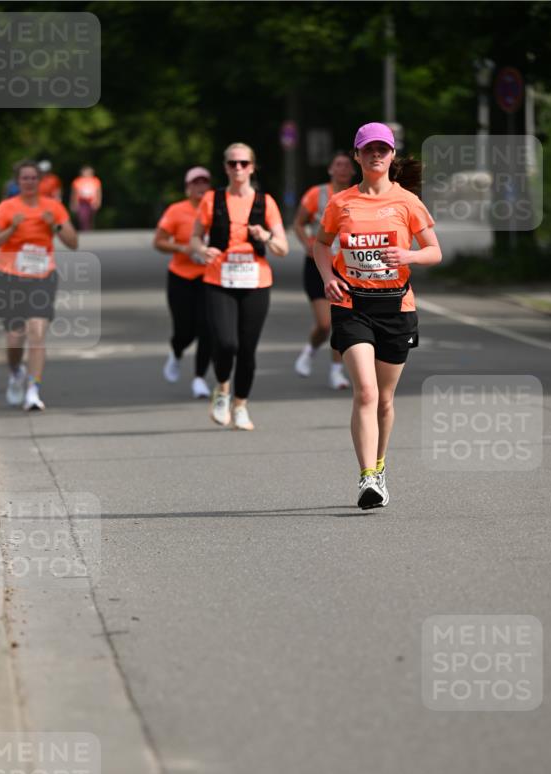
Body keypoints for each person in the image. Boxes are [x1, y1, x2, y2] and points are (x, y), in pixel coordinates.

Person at [313, 123, 442, 509]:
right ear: (356, 156)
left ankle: (380, 465)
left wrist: (410, 256)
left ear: (391, 156)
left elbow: (434, 250)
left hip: (396, 307)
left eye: (383, 150)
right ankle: (367, 477)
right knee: (365, 391)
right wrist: (327, 279)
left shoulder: (407, 202)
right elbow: (320, 245)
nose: (376, 155)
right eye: (368, 149)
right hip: (352, 305)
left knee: (385, 398)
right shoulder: (341, 202)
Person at [189, 142, 288, 430]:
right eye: (232, 163)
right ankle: (222, 389)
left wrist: (266, 235)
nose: (238, 168)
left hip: (256, 282)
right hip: (219, 279)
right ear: (225, 167)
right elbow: (195, 238)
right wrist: (201, 250)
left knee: (246, 349)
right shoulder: (212, 199)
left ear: (252, 167)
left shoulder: (265, 202)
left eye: (244, 163)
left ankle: (241, 405)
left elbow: (282, 247)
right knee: (225, 342)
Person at [0, 159, 78, 411]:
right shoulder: (6, 208)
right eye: (24, 178)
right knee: (15, 336)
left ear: (41, 181)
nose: (29, 182)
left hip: (42, 276)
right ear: (18, 181)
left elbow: (73, 242)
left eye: (33, 178)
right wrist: (11, 229)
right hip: (9, 276)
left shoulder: (53, 208)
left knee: (37, 332)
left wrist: (53, 225)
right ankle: (16, 372)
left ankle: (33, 389)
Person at [293, 151, 355, 389]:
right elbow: (298, 223)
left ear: (352, 170)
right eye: (337, 165)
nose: (341, 169)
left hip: (347, 265)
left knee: (340, 322)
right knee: (325, 324)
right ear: (330, 169)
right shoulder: (316, 194)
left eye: (346, 165)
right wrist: (307, 243)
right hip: (317, 265)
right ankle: (309, 351)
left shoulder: (357, 195)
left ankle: (336, 372)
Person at [153, 166, 213, 399]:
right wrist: (182, 248)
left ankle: (199, 378)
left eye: (204, 182)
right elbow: (158, 241)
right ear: (187, 187)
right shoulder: (176, 210)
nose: (200, 187)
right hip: (181, 277)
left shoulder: (216, 210)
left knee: (207, 328)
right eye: (195, 183)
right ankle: (177, 352)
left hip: (210, 278)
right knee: (184, 330)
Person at [70, 166, 102, 231]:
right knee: (82, 216)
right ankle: (84, 229)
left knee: (90, 217)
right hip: (82, 202)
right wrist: (73, 203)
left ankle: (89, 229)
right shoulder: (77, 181)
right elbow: (74, 193)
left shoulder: (95, 181)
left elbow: (98, 192)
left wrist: (98, 201)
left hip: (92, 202)